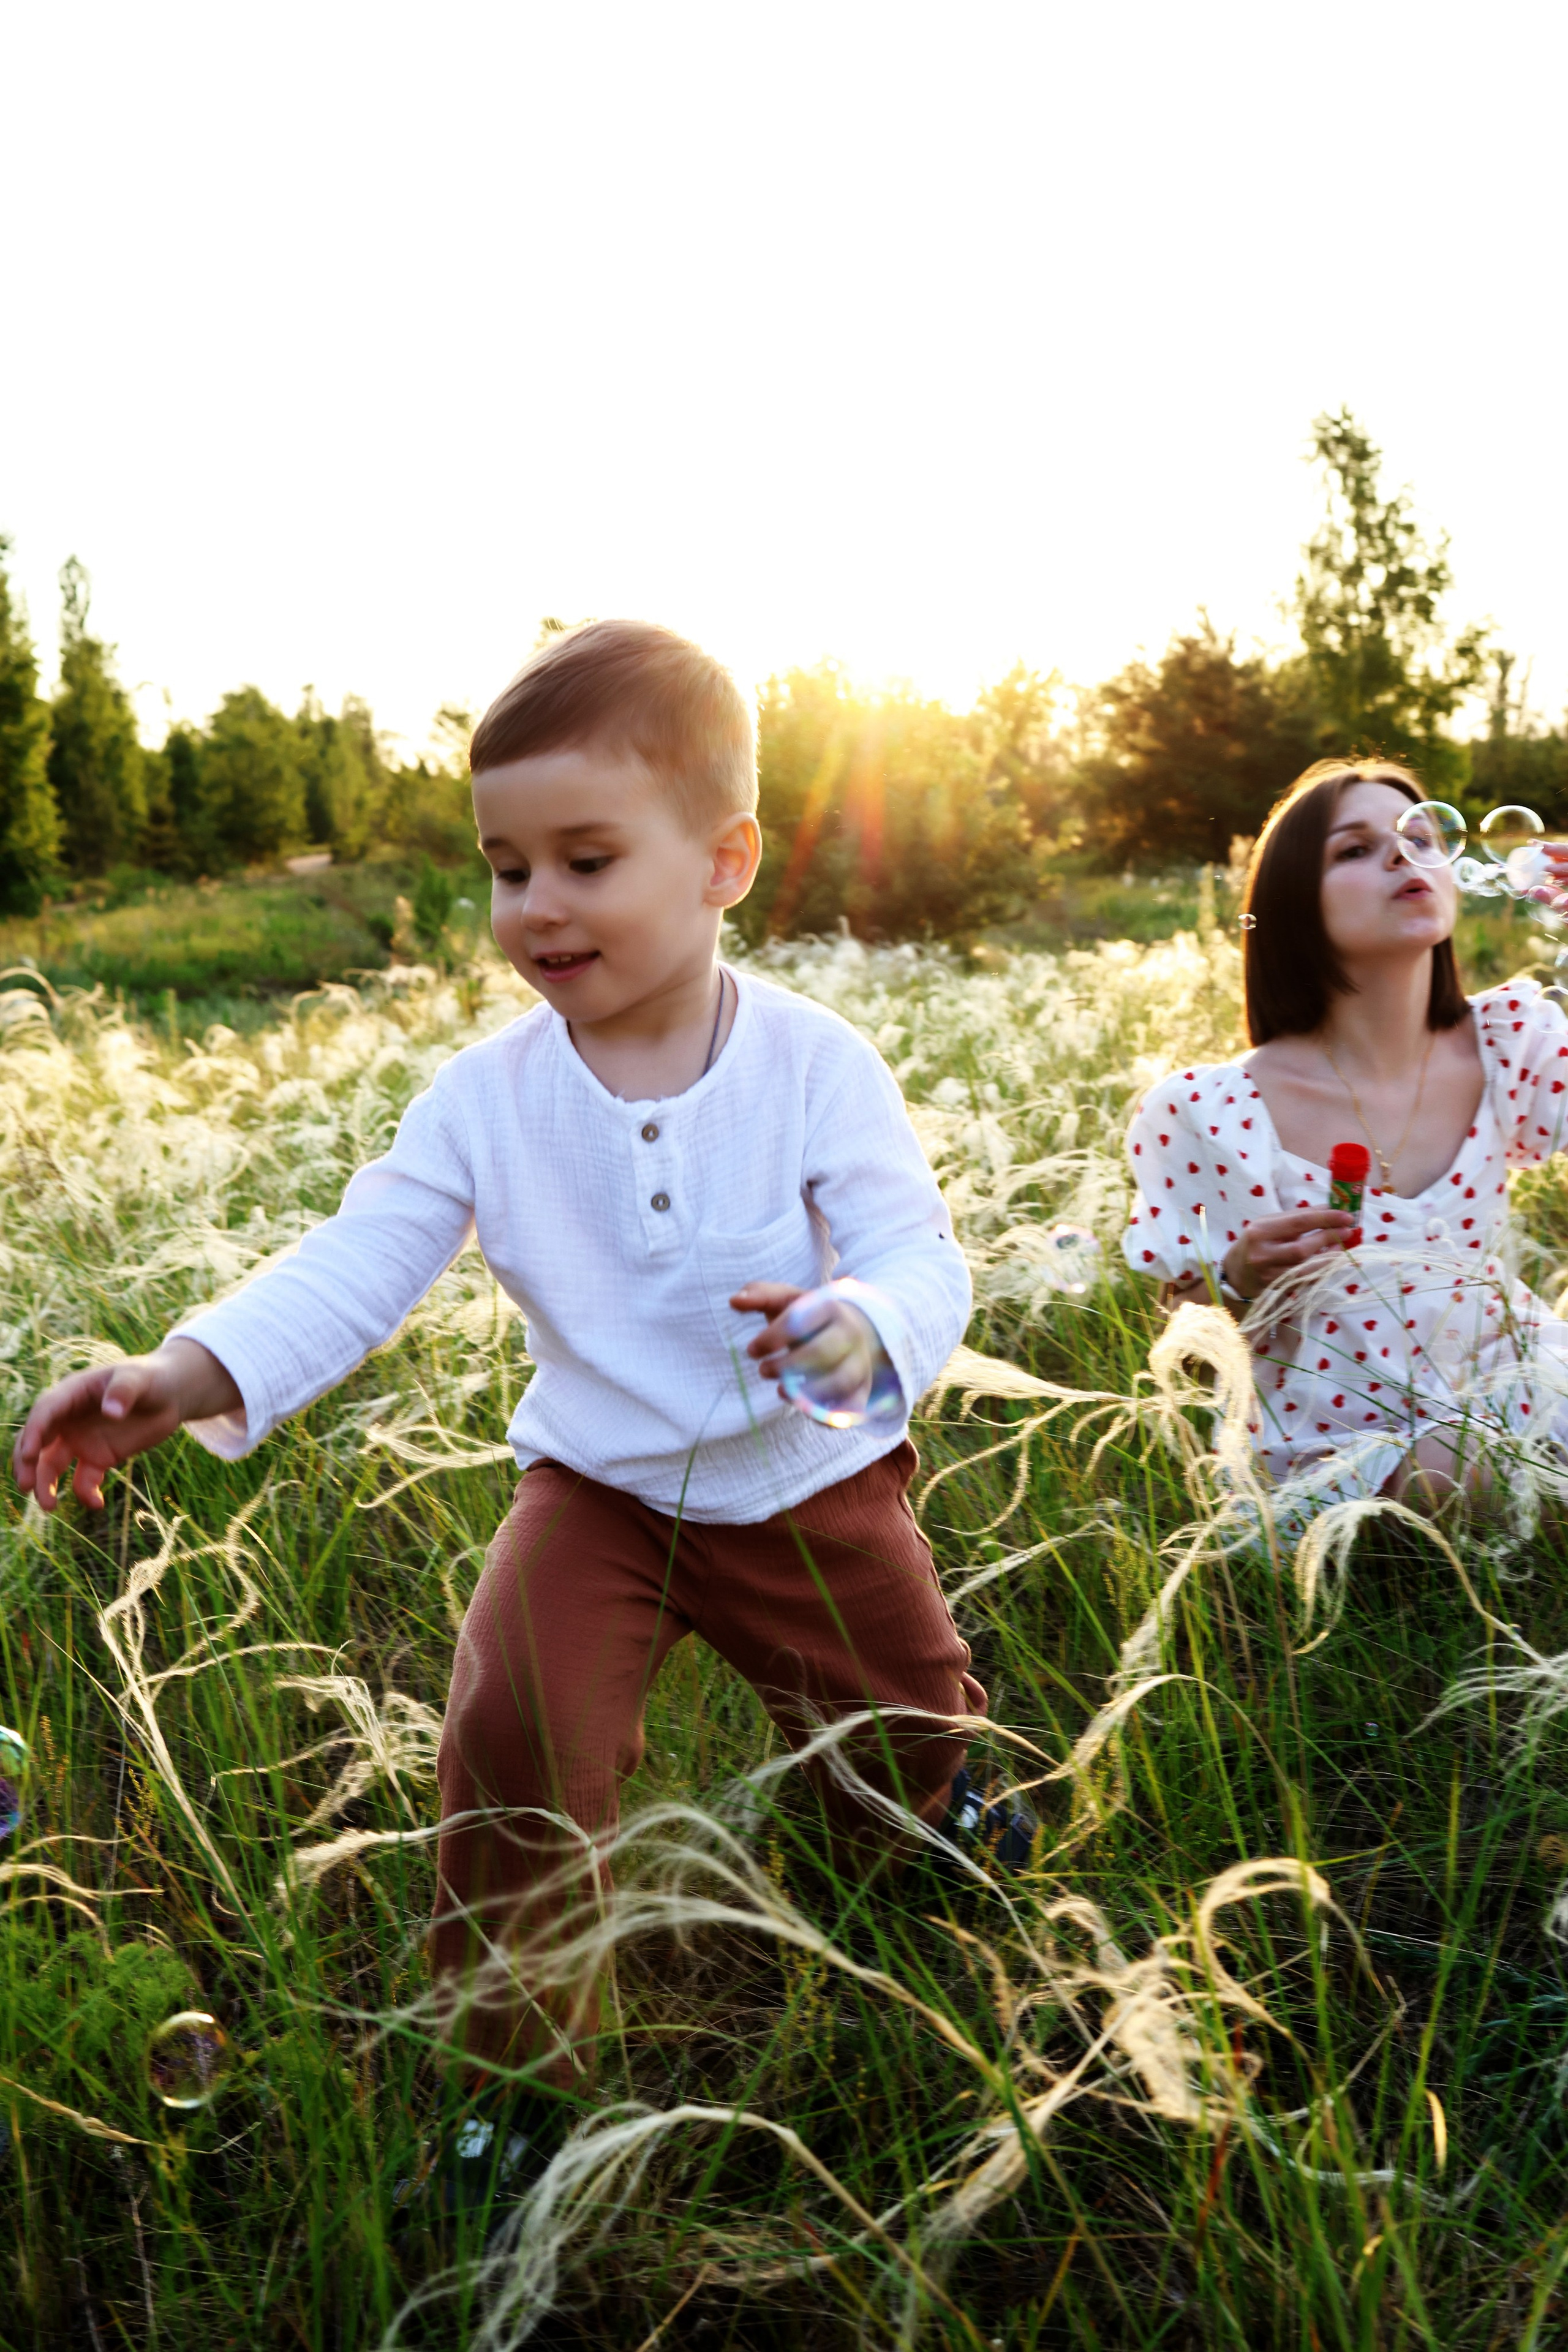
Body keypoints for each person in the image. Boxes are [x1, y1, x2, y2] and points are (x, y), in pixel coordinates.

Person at [11, 619, 983, 2212]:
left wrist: (860, 1325)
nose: (534, 906)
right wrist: (183, 1377)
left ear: (727, 861)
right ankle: (522, 2085)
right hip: (597, 1491)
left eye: (585, 860)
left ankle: (929, 1841)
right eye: (505, 867)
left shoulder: (814, 1064)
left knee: (896, 1730)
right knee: (514, 1739)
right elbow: (361, 1258)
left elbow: (915, 1252)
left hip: (808, 1480)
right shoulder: (483, 1099)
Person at [1121, 758, 1568, 1522]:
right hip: (1339, 1431)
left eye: (1420, 837)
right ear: (1294, 903)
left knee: (1495, 1457)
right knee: (1461, 1470)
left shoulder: (1512, 1044)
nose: (1401, 854)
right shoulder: (1211, 1110)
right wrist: (1234, 1275)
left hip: (1506, 1373)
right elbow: (1188, 1337)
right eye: (1354, 850)